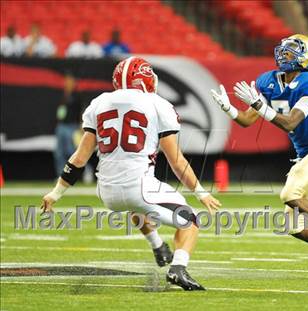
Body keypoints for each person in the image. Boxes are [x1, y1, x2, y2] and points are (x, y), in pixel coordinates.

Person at [41, 56, 221, 291]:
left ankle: (157, 246)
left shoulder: (100, 102)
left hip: (106, 191)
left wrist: (55, 194)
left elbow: (79, 158)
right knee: (190, 221)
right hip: (139, 186)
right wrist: (200, 192)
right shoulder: (157, 104)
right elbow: (176, 161)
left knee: (138, 206)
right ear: (145, 79)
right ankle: (178, 269)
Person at [211, 34, 308, 281]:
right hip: (305, 157)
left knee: (289, 194)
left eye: (291, 50)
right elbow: (246, 120)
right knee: (294, 227)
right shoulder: (269, 82)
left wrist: (259, 105)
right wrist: (228, 108)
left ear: (307, 57)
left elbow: (290, 122)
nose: (284, 55)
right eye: (283, 50)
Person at [54, 73, 83, 177]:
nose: (67, 83)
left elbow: (80, 112)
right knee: (59, 153)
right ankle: (60, 176)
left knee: (72, 152)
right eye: (66, 81)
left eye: (69, 81)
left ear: (74, 83)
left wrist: (80, 126)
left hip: (72, 126)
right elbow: (60, 112)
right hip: (61, 126)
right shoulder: (62, 95)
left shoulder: (76, 96)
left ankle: (77, 173)